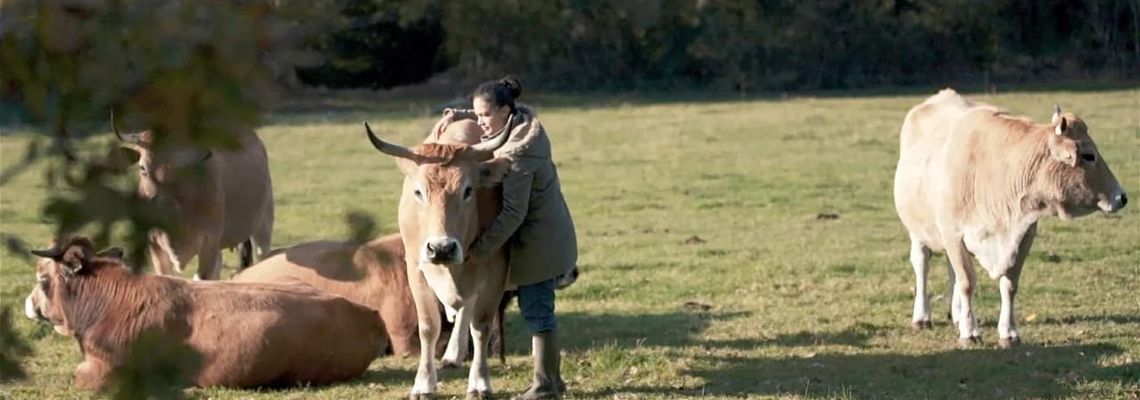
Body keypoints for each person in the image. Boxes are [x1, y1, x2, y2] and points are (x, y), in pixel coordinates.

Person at [437, 75, 577, 400]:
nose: (481, 122)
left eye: (485, 116)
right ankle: (553, 381)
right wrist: (458, 115)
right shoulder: (523, 122)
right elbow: (483, 116)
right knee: (539, 310)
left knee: (538, 311)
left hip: (539, 242)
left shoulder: (518, 156)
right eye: (477, 115)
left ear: (504, 110)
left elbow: (513, 214)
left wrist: (479, 250)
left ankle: (544, 386)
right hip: (550, 234)